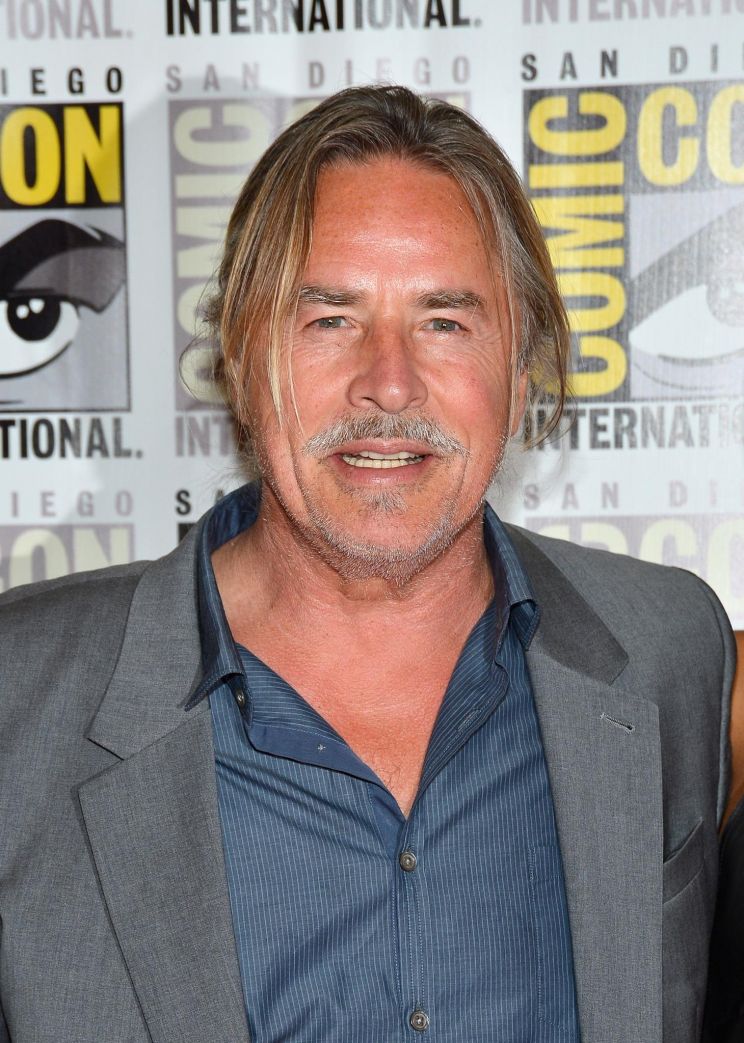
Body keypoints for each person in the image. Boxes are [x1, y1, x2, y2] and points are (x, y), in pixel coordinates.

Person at [0, 86, 735, 1043]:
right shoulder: (20, 700)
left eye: (444, 321)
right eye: (330, 319)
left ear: (522, 370)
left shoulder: (669, 654)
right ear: (239, 357)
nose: (389, 383)